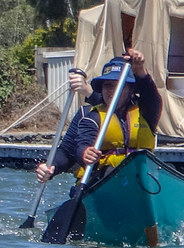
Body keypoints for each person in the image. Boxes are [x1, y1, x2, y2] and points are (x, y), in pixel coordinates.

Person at [36, 49, 161, 183]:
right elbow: (70, 150)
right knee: (110, 172)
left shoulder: (145, 110)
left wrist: (141, 72)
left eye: (119, 86)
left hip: (140, 182)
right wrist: (51, 166)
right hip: (99, 182)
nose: (112, 92)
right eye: (108, 86)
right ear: (101, 89)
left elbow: (151, 96)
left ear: (130, 89)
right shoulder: (89, 115)